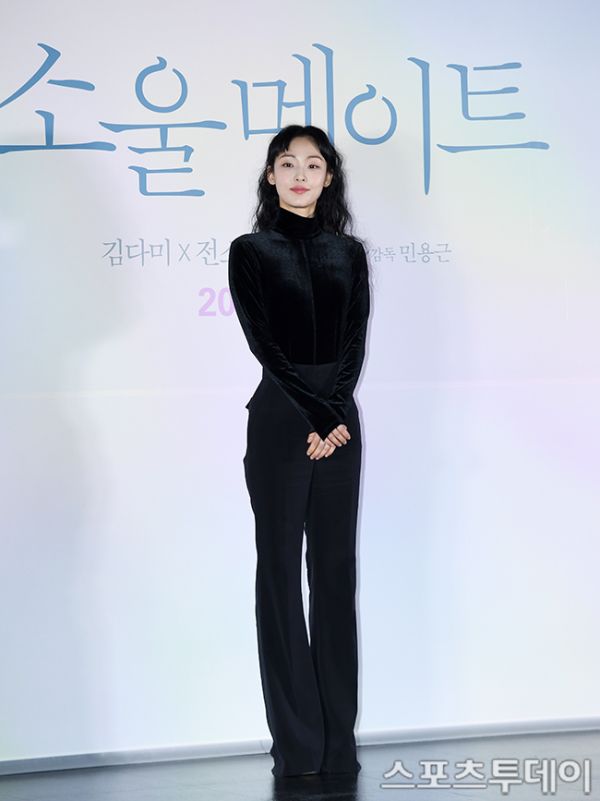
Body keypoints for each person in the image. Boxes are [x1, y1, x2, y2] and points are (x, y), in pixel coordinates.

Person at [228, 124, 371, 778]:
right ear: (270, 176)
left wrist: (333, 410)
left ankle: (338, 743)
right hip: (283, 421)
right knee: (281, 574)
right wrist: (319, 413)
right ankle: (297, 745)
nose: (300, 175)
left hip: (337, 424)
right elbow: (263, 341)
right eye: (287, 163)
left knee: (336, 575)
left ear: (328, 177)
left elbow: (354, 341)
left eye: (313, 164)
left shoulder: (349, 253)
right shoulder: (250, 251)